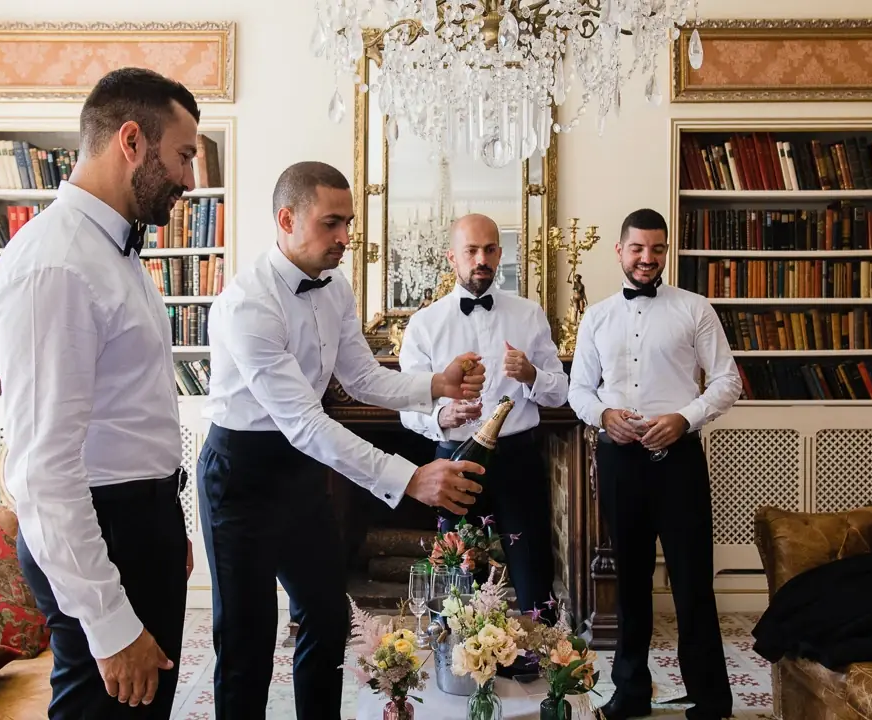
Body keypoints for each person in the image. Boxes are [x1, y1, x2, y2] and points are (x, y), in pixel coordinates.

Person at [199, 160, 489, 720]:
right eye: (332, 223)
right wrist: (409, 477)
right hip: (241, 475)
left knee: (329, 621)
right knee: (246, 643)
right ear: (287, 218)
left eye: (349, 223)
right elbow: (306, 422)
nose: (346, 239)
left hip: (301, 474)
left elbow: (360, 378)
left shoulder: (336, 285)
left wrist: (435, 385)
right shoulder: (247, 305)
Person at [0, 67, 199, 719]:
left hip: (140, 522)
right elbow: (45, 472)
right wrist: (109, 624)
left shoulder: (113, 253)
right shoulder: (58, 266)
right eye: (183, 155)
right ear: (131, 140)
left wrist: (167, 523)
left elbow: (128, 411)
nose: (190, 179)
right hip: (99, 528)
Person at [567, 208, 742, 720]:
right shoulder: (596, 316)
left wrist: (684, 419)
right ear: (619, 251)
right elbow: (578, 390)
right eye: (638, 248)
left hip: (679, 460)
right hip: (619, 458)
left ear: (666, 252)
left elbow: (727, 380)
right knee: (630, 581)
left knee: (692, 582)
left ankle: (711, 701)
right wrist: (603, 414)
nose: (648, 258)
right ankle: (631, 694)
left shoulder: (695, 309)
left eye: (657, 249)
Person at [398, 213, 568, 618]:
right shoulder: (424, 325)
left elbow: (561, 392)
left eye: (490, 249)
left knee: (531, 570)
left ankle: (535, 665)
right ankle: (459, 670)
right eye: (471, 250)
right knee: (458, 577)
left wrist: (531, 375)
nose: (481, 259)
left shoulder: (529, 315)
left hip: (518, 459)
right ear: (451, 257)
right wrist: (442, 415)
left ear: (500, 253)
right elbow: (408, 406)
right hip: (454, 462)